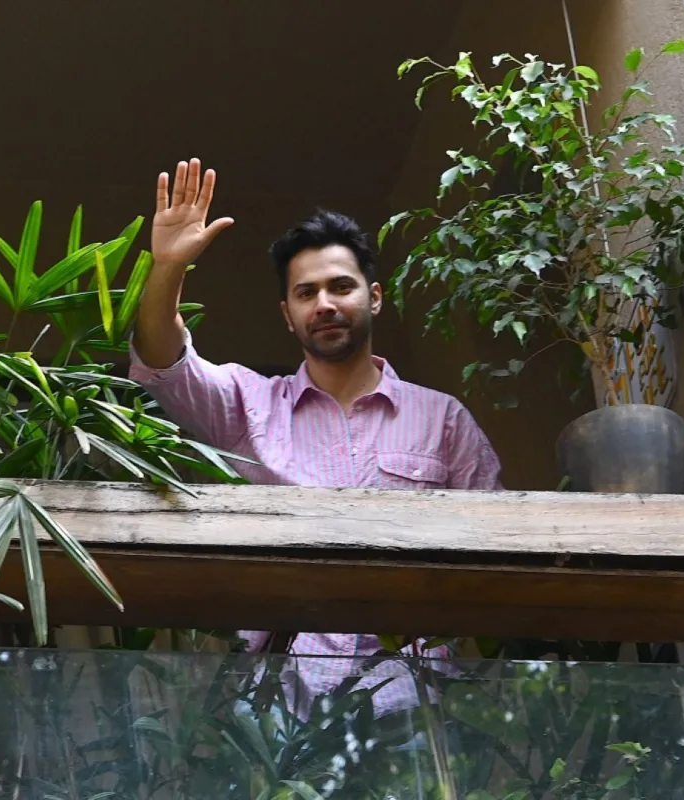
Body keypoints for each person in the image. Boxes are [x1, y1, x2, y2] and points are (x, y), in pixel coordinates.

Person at [128, 158, 503, 723]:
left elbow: (497, 559)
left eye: (340, 287)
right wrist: (169, 268)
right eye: (306, 293)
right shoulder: (246, 405)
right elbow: (163, 361)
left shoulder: (443, 419)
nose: (324, 303)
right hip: (276, 709)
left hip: (415, 709)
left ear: (374, 298)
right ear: (288, 314)